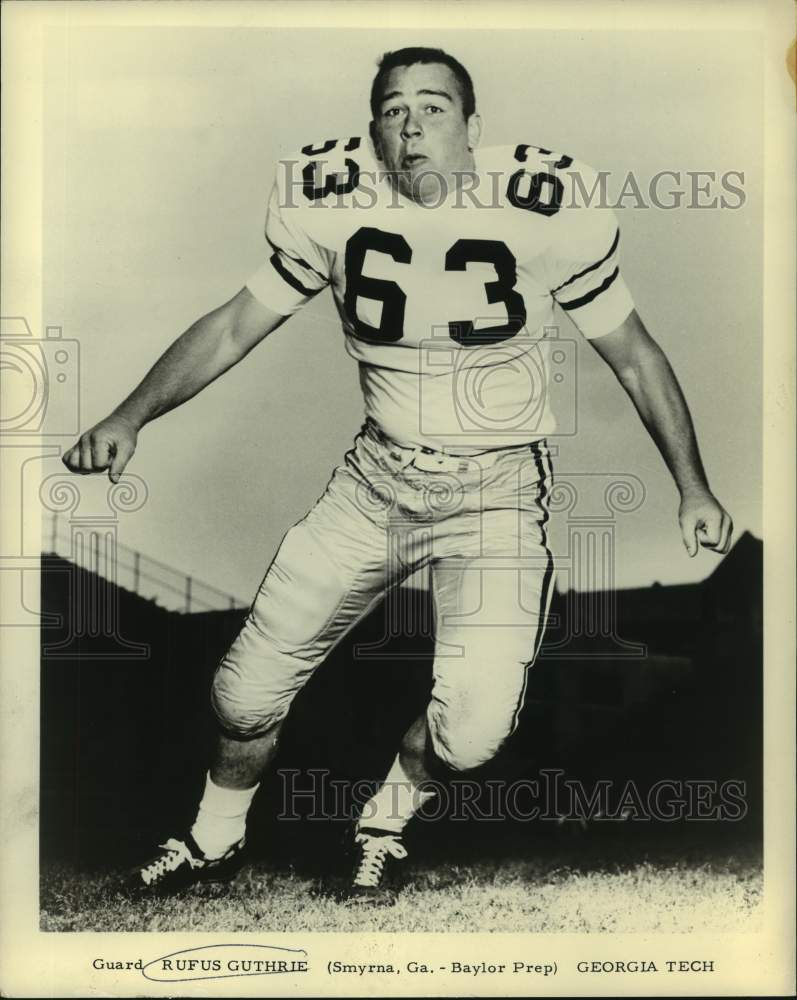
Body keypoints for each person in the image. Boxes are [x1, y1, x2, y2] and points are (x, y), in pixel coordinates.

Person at [62, 46, 733, 902]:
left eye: (434, 107)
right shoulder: (331, 202)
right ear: (372, 128)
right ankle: (212, 838)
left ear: (473, 127)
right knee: (243, 693)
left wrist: (692, 484)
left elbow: (634, 357)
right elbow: (233, 327)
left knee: (471, 736)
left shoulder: (543, 208)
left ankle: (383, 822)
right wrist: (129, 415)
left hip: (494, 495)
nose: (411, 126)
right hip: (374, 485)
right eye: (392, 109)